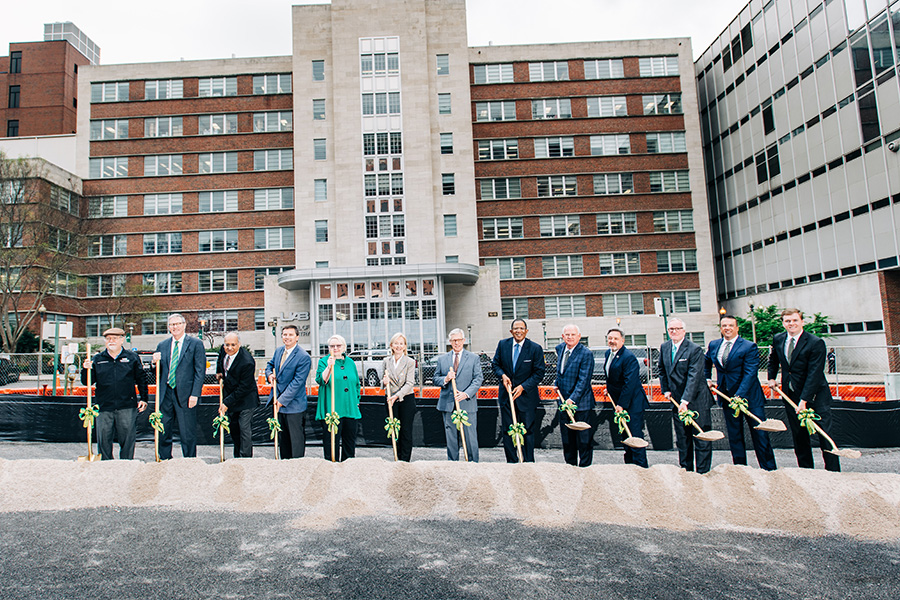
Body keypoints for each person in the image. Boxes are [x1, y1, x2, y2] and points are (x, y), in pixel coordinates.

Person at [767, 308, 840, 472]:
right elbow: (773, 360)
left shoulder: (815, 342)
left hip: (815, 395)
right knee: (799, 436)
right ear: (783, 323)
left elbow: (814, 374)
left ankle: (833, 472)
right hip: (790, 394)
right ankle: (806, 471)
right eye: (787, 321)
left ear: (802, 322)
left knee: (824, 435)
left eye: (794, 320)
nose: (791, 324)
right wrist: (772, 378)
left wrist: (804, 400)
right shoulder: (779, 339)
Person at [705, 315, 776, 470]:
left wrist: (739, 395)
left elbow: (750, 373)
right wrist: (707, 378)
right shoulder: (714, 345)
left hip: (750, 398)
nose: (727, 328)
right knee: (735, 435)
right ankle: (740, 469)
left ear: (737, 328)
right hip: (726, 397)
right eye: (724, 325)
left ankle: (769, 469)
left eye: (730, 325)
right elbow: (706, 362)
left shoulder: (749, 346)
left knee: (760, 435)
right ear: (721, 328)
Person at [81, 327, 148, 460]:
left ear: (122, 340)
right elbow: (87, 382)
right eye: (108, 338)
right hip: (104, 406)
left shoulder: (132, 357)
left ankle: (126, 463)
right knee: (104, 439)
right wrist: (85, 369)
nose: (111, 341)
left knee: (128, 438)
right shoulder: (97, 359)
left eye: (115, 338)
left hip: (127, 406)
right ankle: (106, 465)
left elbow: (142, 379)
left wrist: (144, 398)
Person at [659, 318, 712, 474]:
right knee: (683, 438)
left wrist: (685, 401)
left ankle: (702, 473)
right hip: (676, 400)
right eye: (671, 329)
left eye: (677, 329)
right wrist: (666, 389)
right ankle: (686, 471)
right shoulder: (665, 347)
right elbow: (662, 370)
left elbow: (694, 376)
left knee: (701, 438)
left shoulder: (694, 349)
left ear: (684, 330)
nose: (674, 332)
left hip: (696, 400)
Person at [152, 314, 206, 459]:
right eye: (171, 325)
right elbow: (157, 372)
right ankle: (164, 459)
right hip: (166, 393)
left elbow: (200, 371)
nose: (174, 327)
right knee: (164, 429)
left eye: (177, 324)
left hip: (186, 395)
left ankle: (189, 461)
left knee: (187, 431)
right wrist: (153, 363)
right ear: (168, 327)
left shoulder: (195, 344)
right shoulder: (162, 345)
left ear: (184, 325)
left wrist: (195, 394)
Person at [492, 319, 546, 463]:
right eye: (516, 328)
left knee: (528, 431)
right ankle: (512, 461)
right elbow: (495, 364)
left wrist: (523, 387)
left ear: (526, 331)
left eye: (521, 328)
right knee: (508, 431)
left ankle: (528, 462)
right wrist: (502, 375)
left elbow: (539, 373)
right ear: (511, 331)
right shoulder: (503, 345)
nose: (518, 331)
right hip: (507, 397)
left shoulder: (535, 348)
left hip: (526, 398)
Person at [433, 328, 483, 462]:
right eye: (454, 340)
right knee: (451, 438)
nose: (456, 343)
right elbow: (435, 378)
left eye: (459, 340)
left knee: (470, 437)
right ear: (450, 342)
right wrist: (446, 379)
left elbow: (478, 379)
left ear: (464, 340)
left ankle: (473, 464)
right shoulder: (442, 359)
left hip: (467, 403)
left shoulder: (473, 358)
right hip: (448, 404)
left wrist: (466, 394)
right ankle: (453, 465)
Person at [604, 328, 649, 468]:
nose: (612, 341)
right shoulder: (608, 353)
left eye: (616, 338)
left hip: (632, 403)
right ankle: (630, 467)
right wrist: (609, 389)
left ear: (622, 341)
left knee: (634, 436)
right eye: (610, 338)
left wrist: (621, 404)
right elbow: (613, 377)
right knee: (625, 436)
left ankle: (641, 468)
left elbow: (630, 383)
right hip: (619, 401)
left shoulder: (628, 357)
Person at [265, 325, 312, 459]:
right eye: (285, 334)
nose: (287, 337)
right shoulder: (279, 351)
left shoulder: (303, 357)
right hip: (278, 402)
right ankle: (285, 465)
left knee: (295, 440)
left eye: (290, 335)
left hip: (294, 405)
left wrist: (281, 401)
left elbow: (297, 383)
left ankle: (297, 466)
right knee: (283, 440)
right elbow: (270, 365)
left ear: (297, 337)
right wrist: (269, 375)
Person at [315, 334, 361, 461]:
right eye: (332, 346)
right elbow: (321, 380)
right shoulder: (324, 361)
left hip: (349, 408)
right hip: (332, 408)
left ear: (344, 347)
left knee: (349, 442)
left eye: (338, 345)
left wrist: (356, 401)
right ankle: (331, 467)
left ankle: (347, 467)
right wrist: (329, 367)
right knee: (331, 442)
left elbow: (356, 383)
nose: (335, 348)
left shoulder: (350, 363)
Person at [555, 324, 595, 467]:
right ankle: (570, 467)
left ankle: (585, 468)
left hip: (581, 404)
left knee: (583, 440)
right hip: (563, 403)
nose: (570, 337)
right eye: (567, 335)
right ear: (563, 337)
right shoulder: (560, 349)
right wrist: (556, 384)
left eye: (573, 335)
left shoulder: (586, 354)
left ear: (579, 336)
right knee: (567, 440)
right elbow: (561, 373)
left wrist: (573, 399)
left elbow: (584, 380)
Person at [216, 332, 259, 458]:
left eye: (233, 345)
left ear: (239, 344)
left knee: (244, 428)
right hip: (231, 396)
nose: (229, 348)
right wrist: (219, 371)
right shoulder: (224, 351)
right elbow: (220, 358)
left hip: (246, 399)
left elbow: (243, 388)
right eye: (227, 345)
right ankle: (237, 457)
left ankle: (245, 458)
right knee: (234, 429)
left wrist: (226, 403)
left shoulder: (247, 362)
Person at [382, 332, 417, 462]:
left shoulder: (410, 362)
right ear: (391, 345)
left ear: (405, 346)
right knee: (394, 429)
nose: (398, 346)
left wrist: (396, 396)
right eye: (396, 343)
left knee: (406, 431)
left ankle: (405, 461)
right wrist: (384, 382)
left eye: (401, 343)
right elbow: (382, 382)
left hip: (405, 399)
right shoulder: (386, 361)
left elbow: (410, 383)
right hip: (390, 400)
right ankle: (396, 458)